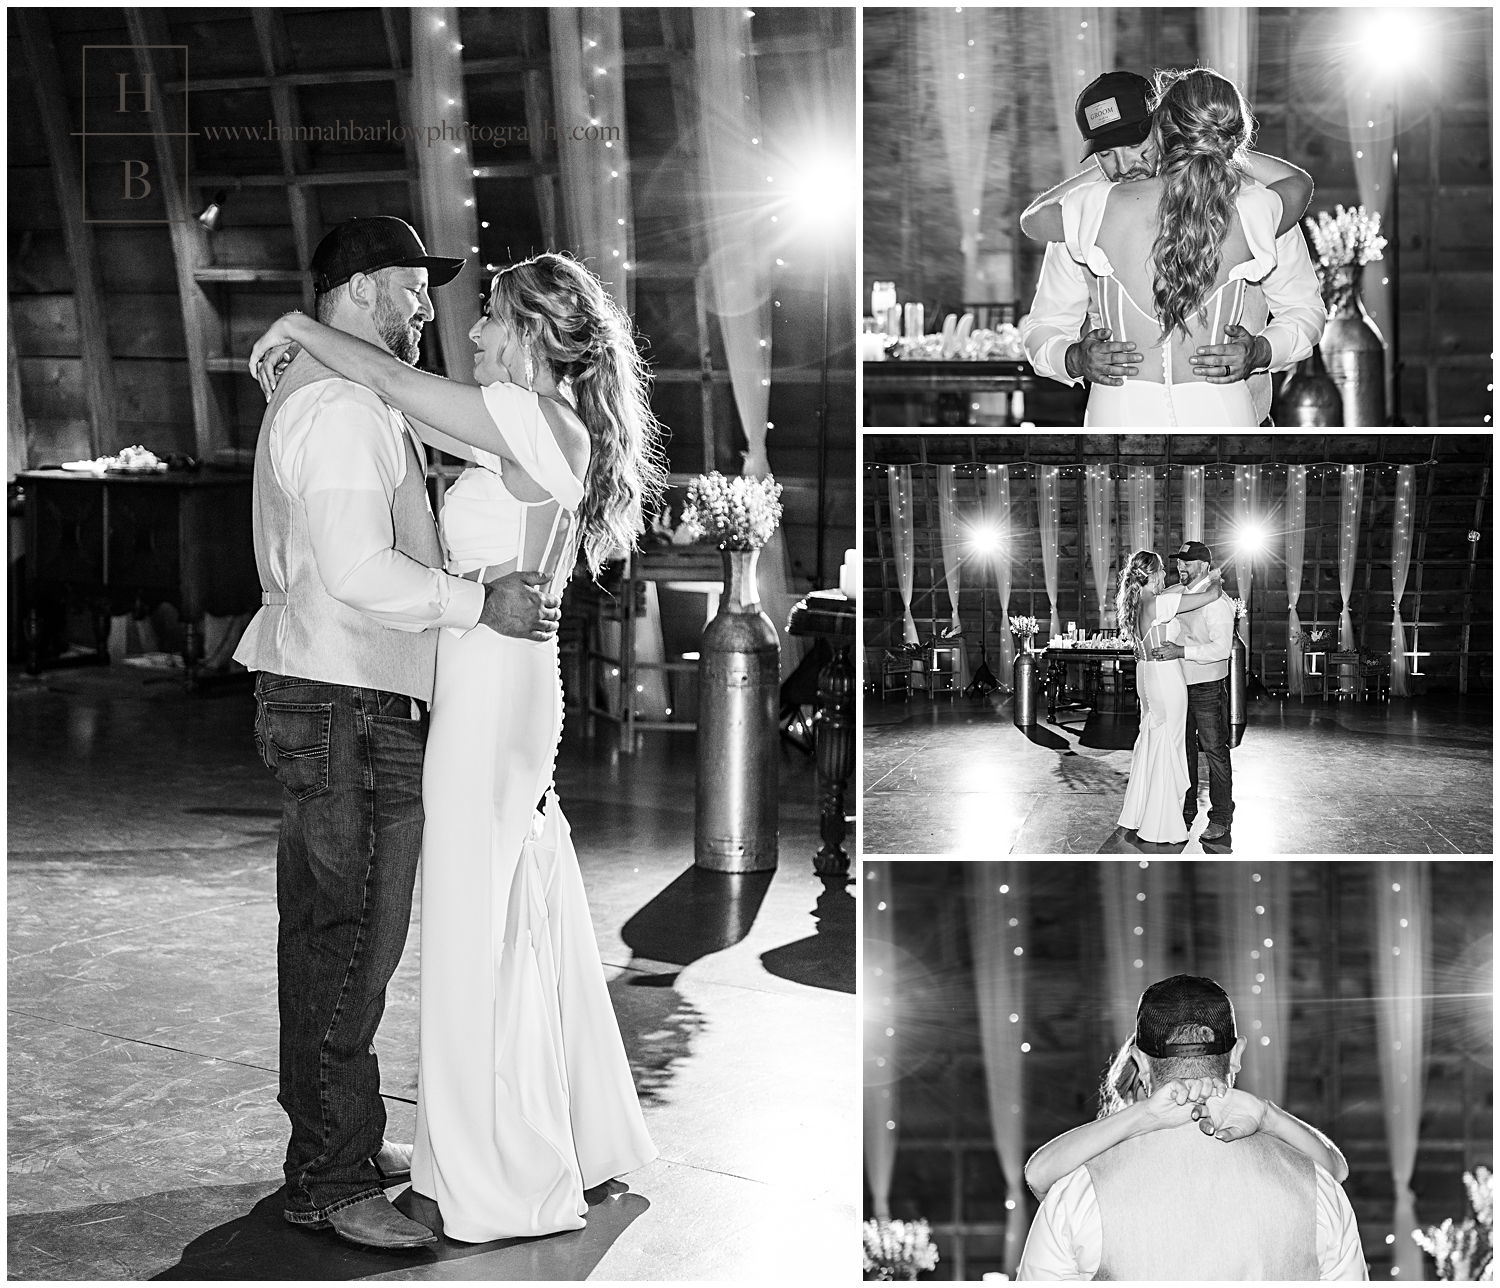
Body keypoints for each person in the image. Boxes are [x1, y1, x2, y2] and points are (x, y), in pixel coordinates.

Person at [248, 239, 666, 1245]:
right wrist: (321, 363)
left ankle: (489, 1166)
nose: (464, 327)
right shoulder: (532, 425)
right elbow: (396, 402)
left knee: (477, 925)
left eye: (488, 317)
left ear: (528, 332)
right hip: (500, 685)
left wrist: (302, 331)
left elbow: (394, 381)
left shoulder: (526, 415)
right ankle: (518, 1128)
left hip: (489, 695)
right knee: (504, 908)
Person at [1019, 68, 1326, 427]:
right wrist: (1071, 358)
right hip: (1124, 418)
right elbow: (1043, 326)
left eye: (1136, 146)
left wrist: (1262, 351)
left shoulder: (1250, 200)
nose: (1124, 167)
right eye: (1104, 154)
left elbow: (1305, 311)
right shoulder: (1084, 213)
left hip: (1238, 420)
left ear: (1163, 129)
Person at [1017, 975, 1367, 1280]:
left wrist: (1146, 1117)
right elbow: (1336, 1171)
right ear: (1236, 1054)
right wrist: (1268, 1116)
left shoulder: (1080, 1188)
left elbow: (1038, 1176)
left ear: (1139, 1062)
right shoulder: (1316, 1183)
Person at [1113, 550, 1222, 846]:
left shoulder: (1140, 602)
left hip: (1146, 675)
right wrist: (1214, 579)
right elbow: (1210, 596)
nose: (1166, 575)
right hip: (1165, 678)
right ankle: (1160, 823)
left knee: (1151, 741)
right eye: (1162, 570)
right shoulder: (1159, 603)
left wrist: (1182, 586)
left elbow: (1176, 591)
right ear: (1150, 575)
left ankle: (1142, 813)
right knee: (1168, 746)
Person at [1151, 541, 1237, 843]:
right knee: (1183, 750)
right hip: (1177, 686)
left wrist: (1180, 651)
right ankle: (1186, 809)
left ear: (1203, 565)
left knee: (1214, 751)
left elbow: (1222, 649)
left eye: (1187, 563)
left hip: (1207, 687)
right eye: (1178, 563)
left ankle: (1221, 816)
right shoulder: (1175, 594)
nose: (1180, 568)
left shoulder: (1219, 602)